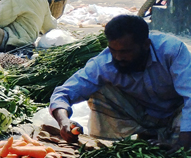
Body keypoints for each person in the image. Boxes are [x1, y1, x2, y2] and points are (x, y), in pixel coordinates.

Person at [51, 15, 191, 146]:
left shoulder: (172, 51)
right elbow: (64, 93)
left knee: (180, 154)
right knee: (100, 90)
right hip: (140, 116)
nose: (118, 57)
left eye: (125, 52)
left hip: (177, 114)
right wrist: (63, 121)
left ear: (146, 45)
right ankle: (113, 144)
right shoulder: (104, 63)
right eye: (113, 50)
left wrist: (183, 141)